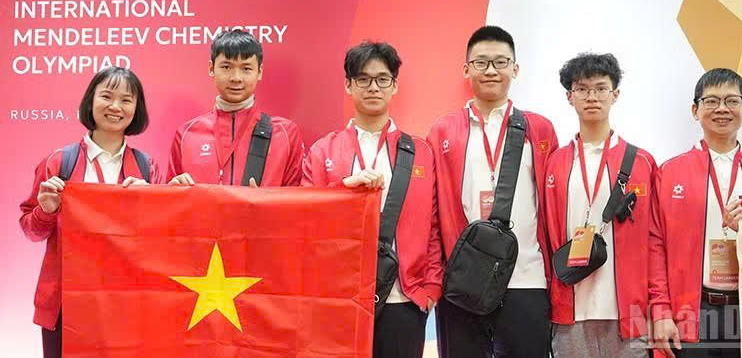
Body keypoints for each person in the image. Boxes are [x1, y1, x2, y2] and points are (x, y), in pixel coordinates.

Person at [302, 41, 442, 358]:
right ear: (348, 85)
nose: (373, 87)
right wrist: (343, 188)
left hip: (404, 298)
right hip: (341, 298)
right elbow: (307, 216)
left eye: (382, 79)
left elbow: (433, 226)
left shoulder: (420, 151)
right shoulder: (323, 150)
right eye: (363, 79)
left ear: (394, 85)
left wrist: (431, 288)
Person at [427, 26, 558, 358]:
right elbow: (431, 211)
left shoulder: (539, 128)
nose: (490, 70)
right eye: (481, 62)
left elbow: (553, 206)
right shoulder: (443, 130)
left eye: (500, 62)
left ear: (515, 68)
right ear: (466, 69)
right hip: (463, 280)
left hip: (526, 277)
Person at [19, 66, 161, 358]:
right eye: (106, 96)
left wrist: (152, 204)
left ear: (137, 109)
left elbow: (162, 240)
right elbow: (31, 230)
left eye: (126, 100)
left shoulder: (147, 168)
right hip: (65, 303)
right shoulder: (60, 161)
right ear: (90, 101)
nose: (115, 106)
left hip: (127, 300)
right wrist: (46, 211)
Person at [650, 68, 742, 357]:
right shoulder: (670, 172)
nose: (722, 108)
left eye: (732, 100)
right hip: (690, 310)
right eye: (711, 101)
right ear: (695, 110)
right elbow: (654, 245)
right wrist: (660, 310)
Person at [543, 53, 655, 357]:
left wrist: (657, 305)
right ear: (569, 97)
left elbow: (654, 241)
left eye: (601, 88)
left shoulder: (642, 162)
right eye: (582, 89)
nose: (591, 97)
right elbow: (545, 233)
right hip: (569, 308)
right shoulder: (554, 163)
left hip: (628, 312)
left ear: (615, 94)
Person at [167, 29, 304, 187]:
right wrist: (172, 191)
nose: (236, 78)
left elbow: (296, 198)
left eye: (246, 69)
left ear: (259, 72)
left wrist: (265, 200)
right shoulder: (186, 134)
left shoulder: (285, 133)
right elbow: (167, 198)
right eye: (226, 67)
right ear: (211, 68)